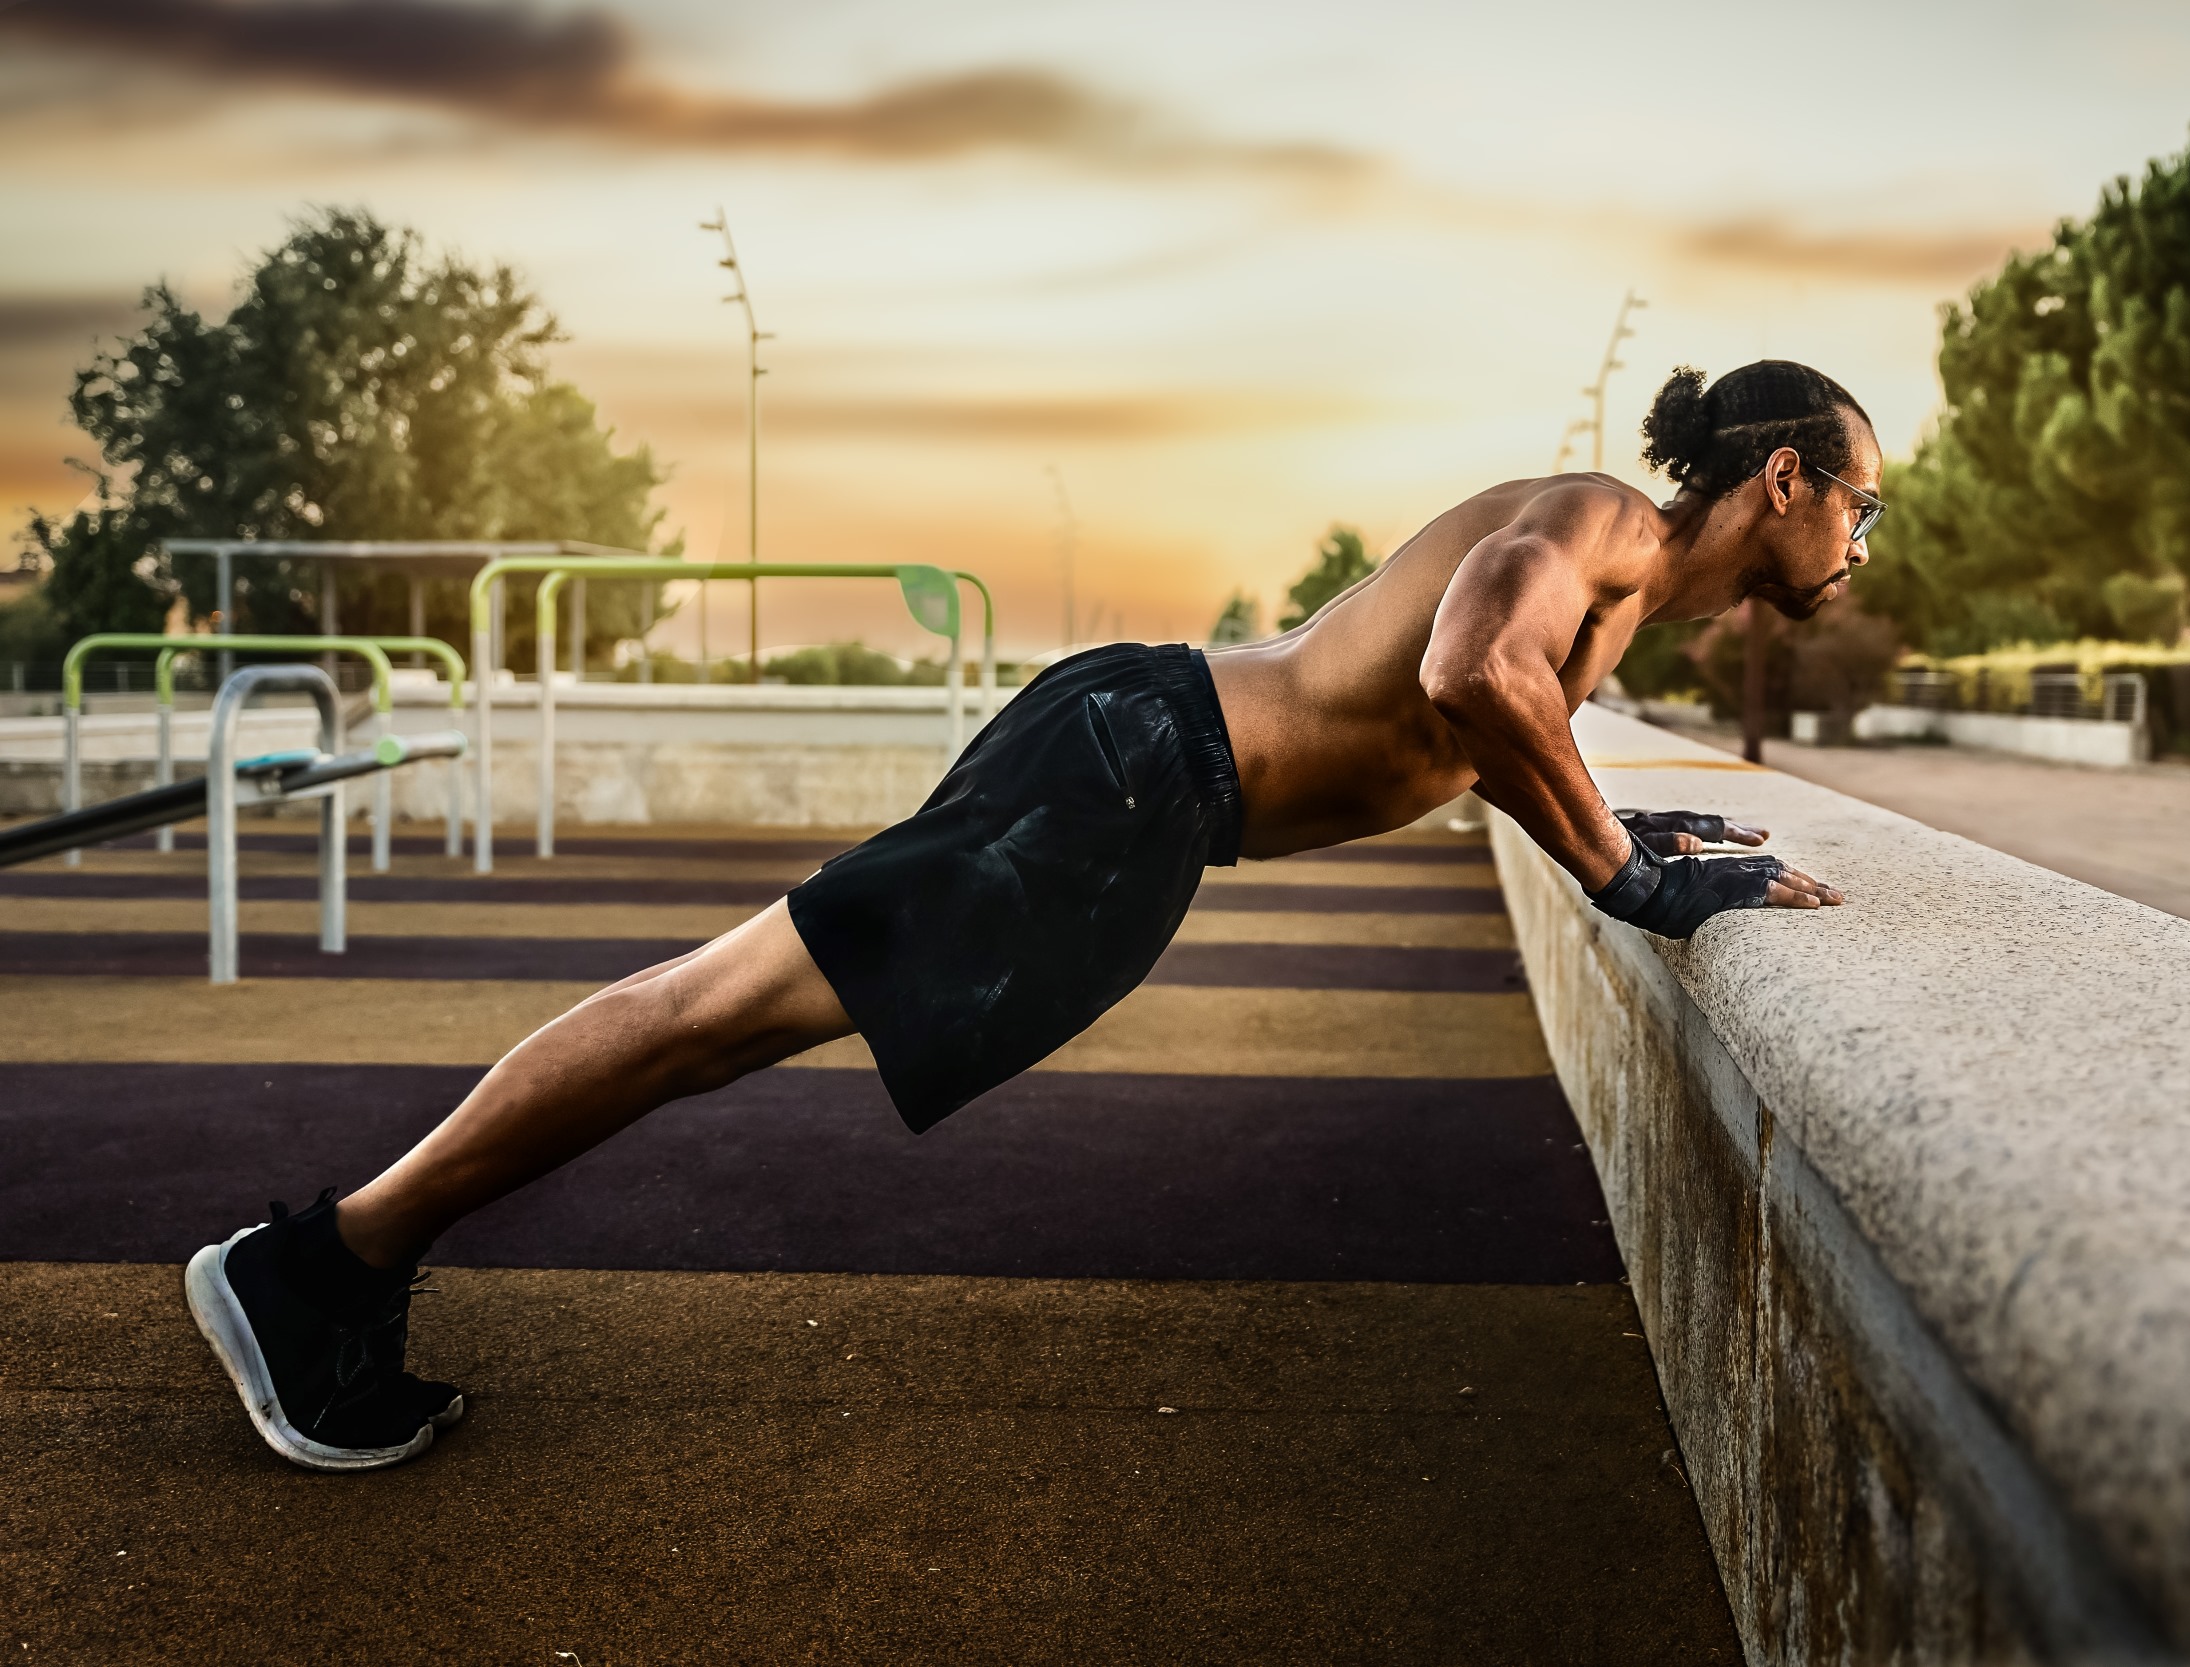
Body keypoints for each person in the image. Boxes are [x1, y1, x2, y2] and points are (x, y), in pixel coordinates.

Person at [187, 358, 1880, 1471]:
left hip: (1142, 773)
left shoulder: (1621, 586)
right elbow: (1467, 670)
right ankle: (324, 1262)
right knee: (716, 1013)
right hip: (1139, 770)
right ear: (1785, 476)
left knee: (721, 1016)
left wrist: (1630, 815)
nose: (1863, 544)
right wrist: (1632, 880)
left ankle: (339, 1259)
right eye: (1861, 507)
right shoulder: (1599, 524)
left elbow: (1488, 732)